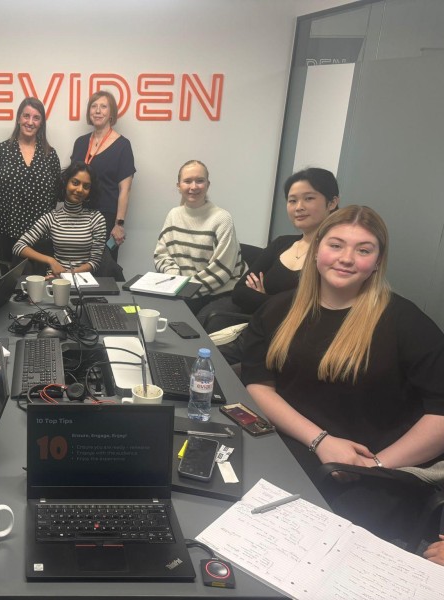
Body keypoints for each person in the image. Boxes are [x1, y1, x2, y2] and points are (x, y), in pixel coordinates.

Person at [241, 205, 444, 490]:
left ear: (377, 262)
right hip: (289, 446)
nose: (346, 259)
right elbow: (259, 384)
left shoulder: (408, 324)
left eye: (363, 250)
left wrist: (374, 466)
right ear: (316, 250)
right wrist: (320, 441)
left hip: (367, 470)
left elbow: (440, 413)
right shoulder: (276, 309)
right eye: (336, 246)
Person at [232, 167, 340, 314]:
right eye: (292, 200)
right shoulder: (281, 243)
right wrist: (276, 304)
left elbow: (309, 312)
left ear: (332, 203)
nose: (299, 207)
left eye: (309, 198)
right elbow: (239, 292)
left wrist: (263, 299)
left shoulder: (336, 255)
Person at [153, 159, 246, 314]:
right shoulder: (173, 215)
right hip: (183, 288)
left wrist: (184, 289)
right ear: (179, 186)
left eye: (200, 181)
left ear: (208, 185)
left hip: (219, 292)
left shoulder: (222, 218)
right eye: (187, 181)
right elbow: (161, 255)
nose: (194, 187)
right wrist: (175, 279)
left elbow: (221, 271)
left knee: (180, 319)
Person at [0, 97, 61, 265]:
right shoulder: (2, 150)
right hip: (6, 229)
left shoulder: (50, 155)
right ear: (18, 118)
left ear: (42, 122)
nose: (30, 122)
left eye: (36, 117)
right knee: (10, 282)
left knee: (39, 284)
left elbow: (55, 194)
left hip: (40, 234)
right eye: (26, 116)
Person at [70, 90, 135, 261]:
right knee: (76, 265)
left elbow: (125, 190)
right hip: (77, 216)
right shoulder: (80, 142)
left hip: (105, 219)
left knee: (103, 270)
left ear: (111, 113)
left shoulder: (123, 145)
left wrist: (119, 224)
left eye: (103, 106)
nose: (98, 111)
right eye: (94, 106)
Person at [12, 162, 105, 276]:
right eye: (75, 183)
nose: (80, 190)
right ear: (65, 183)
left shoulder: (96, 219)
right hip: (54, 279)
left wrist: (66, 275)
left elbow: (95, 262)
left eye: (86, 186)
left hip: (83, 281)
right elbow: (18, 247)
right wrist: (50, 260)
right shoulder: (52, 218)